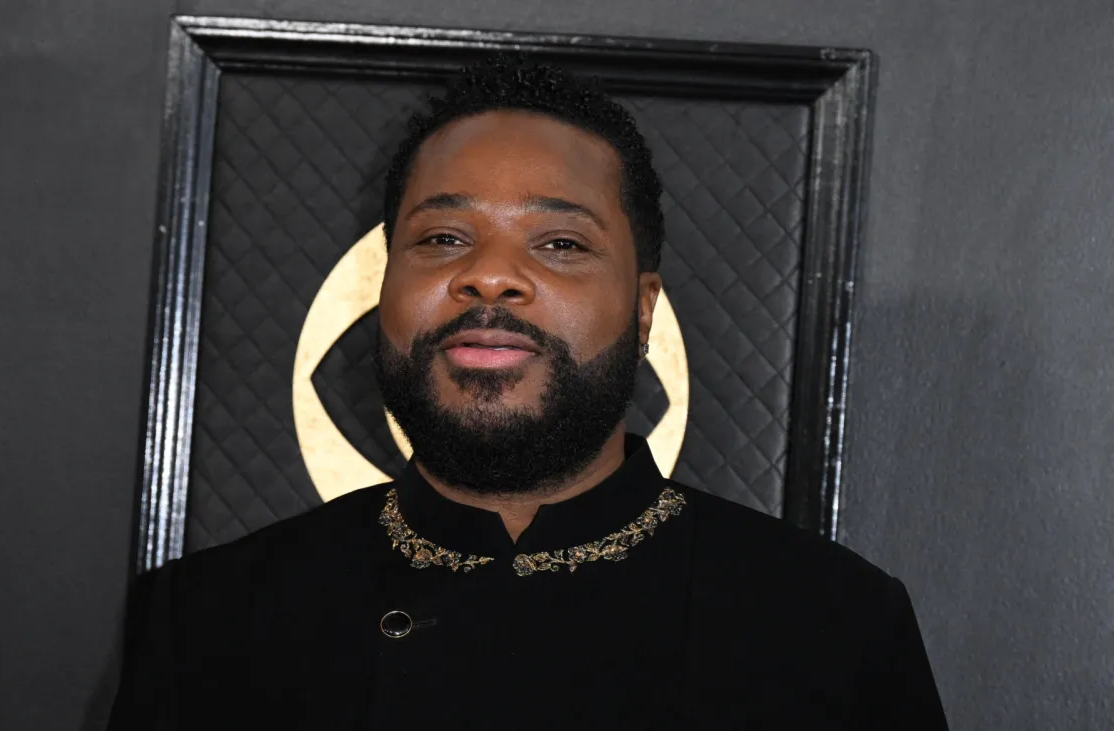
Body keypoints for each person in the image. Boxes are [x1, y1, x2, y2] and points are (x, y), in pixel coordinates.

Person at [108, 56, 949, 730]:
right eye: (442, 237)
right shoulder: (208, 622)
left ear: (644, 308)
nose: (490, 276)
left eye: (558, 242)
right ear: (387, 285)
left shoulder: (832, 626)